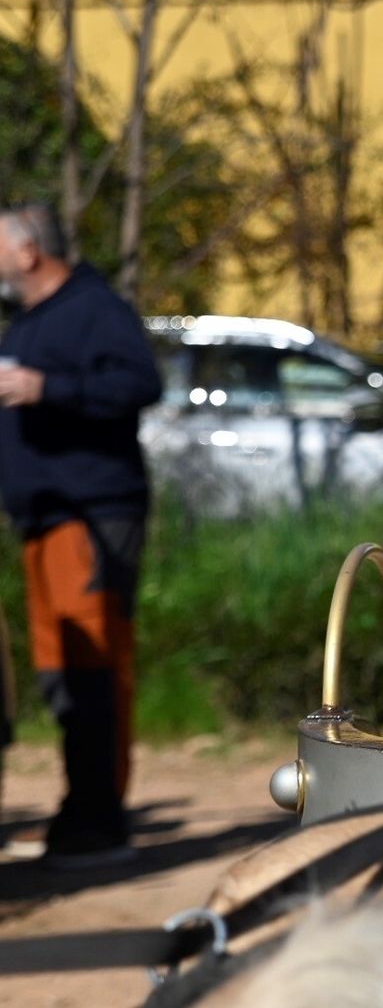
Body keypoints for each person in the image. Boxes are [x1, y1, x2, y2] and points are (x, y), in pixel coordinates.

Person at [0, 203, 162, 868]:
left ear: (28, 250)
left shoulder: (94, 307)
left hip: (92, 511)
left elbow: (140, 384)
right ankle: (77, 815)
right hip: (43, 516)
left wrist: (49, 387)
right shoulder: (31, 320)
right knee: (59, 669)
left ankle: (100, 819)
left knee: (91, 664)